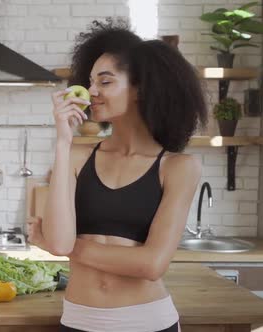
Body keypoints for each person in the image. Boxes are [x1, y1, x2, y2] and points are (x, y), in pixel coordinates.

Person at [26, 18, 208, 332]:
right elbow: (57, 241)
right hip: (78, 322)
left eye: (105, 81)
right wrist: (62, 140)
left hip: (148, 323)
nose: (92, 90)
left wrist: (73, 248)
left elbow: (151, 265)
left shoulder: (178, 167)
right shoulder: (75, 156)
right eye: (91, 80)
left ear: (140, 88)